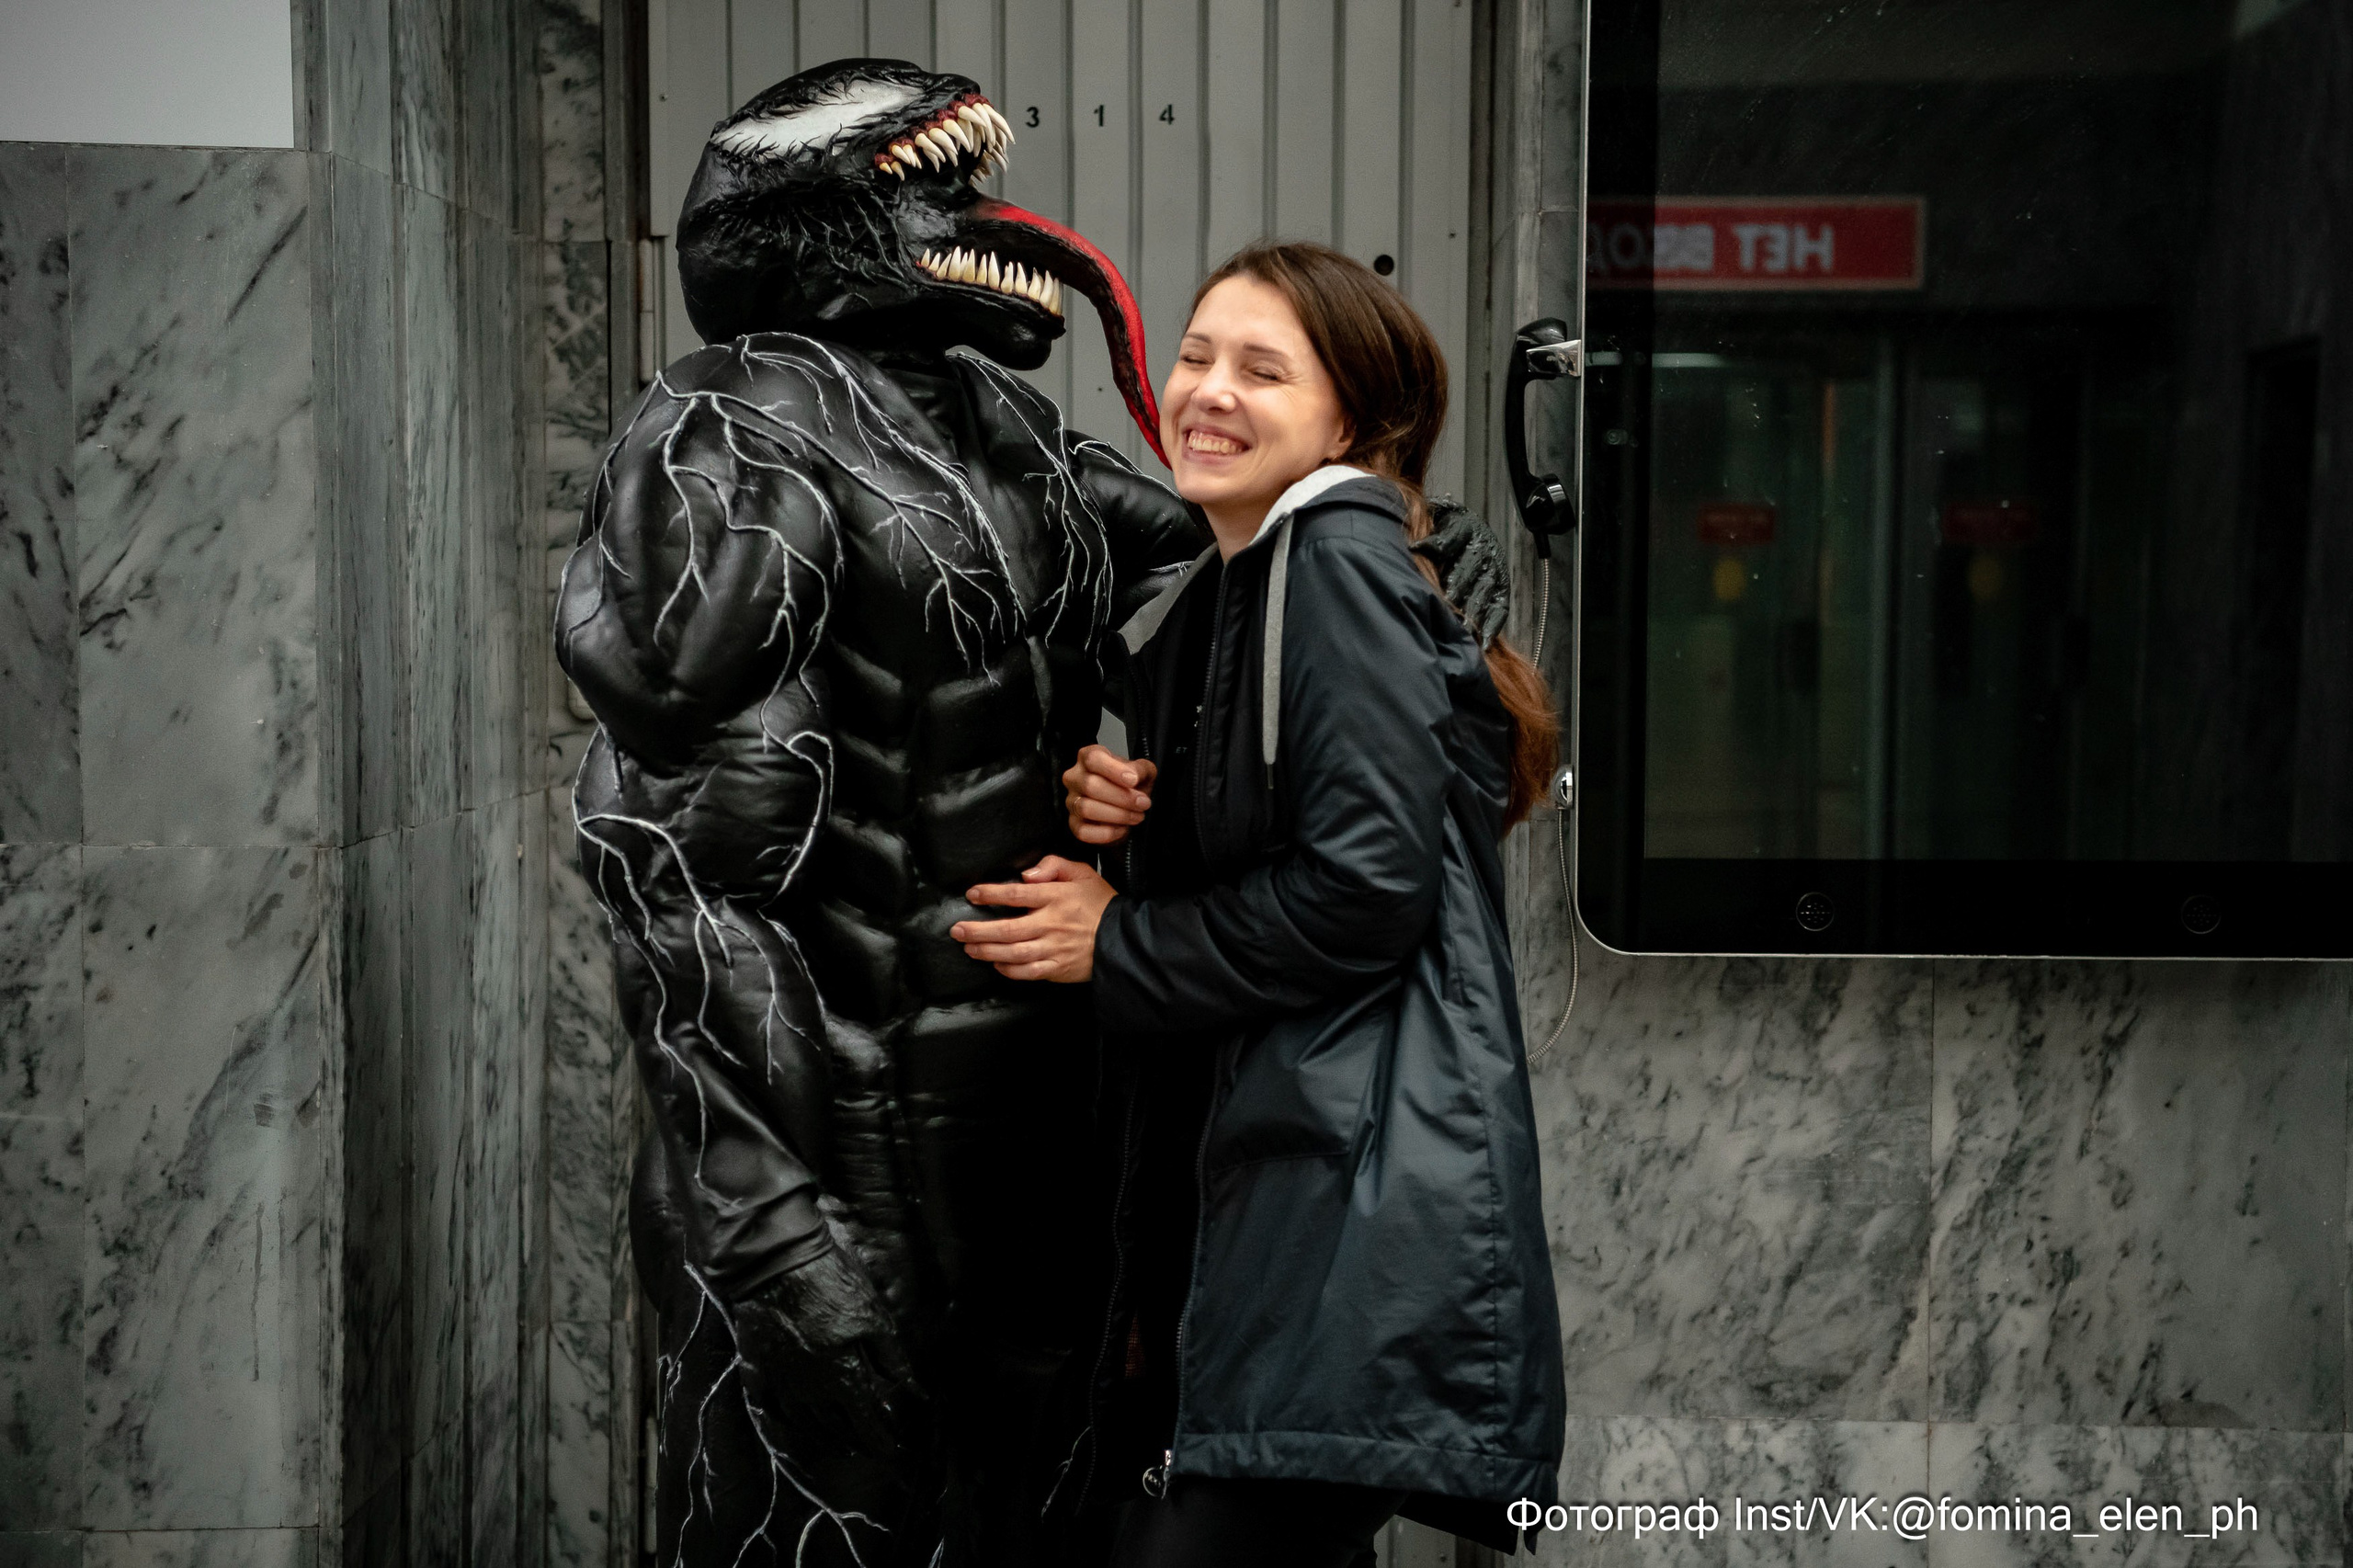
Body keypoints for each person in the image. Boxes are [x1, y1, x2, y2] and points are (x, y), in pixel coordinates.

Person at [948, 242, 1567, 1567]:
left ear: (1348, 422)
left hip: (1339, 1221)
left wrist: (1116, 937)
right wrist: (1140, 820)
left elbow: (1366, 888)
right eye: (1195, 356)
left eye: (1263, 369)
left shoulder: (1330, 562)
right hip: (1288, 1218)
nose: (1209, 390)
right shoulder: (1247, 579)